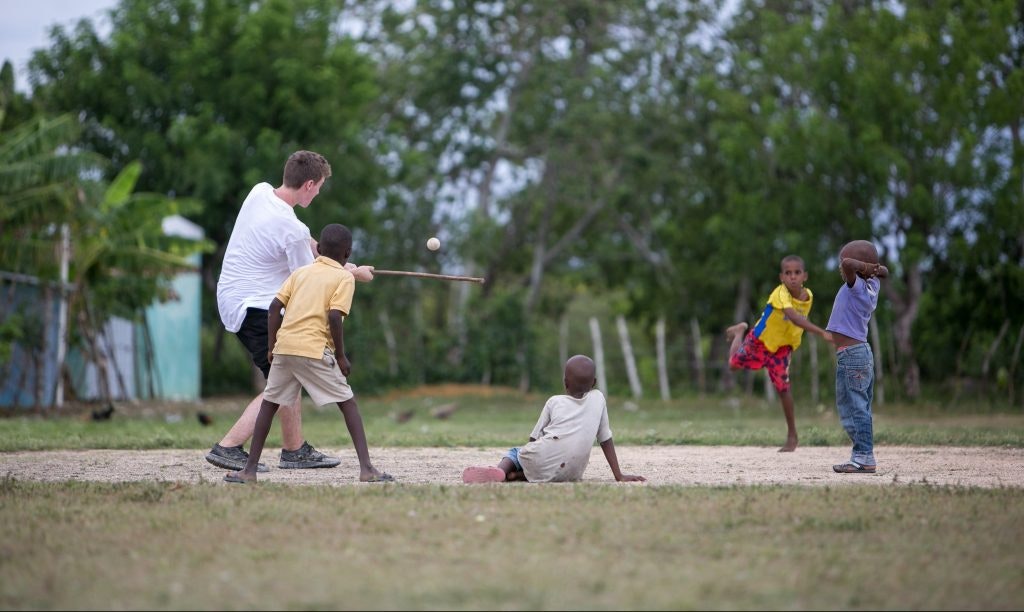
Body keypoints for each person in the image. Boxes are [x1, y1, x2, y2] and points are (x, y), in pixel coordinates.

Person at [206, 151, 374, 472]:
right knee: (283, 379)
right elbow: (312, 278)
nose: (319, 192)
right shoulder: (292, 230)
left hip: (234, 295)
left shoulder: (261, 193)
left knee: (286, 374)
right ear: (309, 184)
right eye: (320, 187)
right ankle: (227, 446)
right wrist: (352, 272)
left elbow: (304, 242)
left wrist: (332, 258)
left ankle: (294, 450)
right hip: (254, 305)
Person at [224, 224, 393, 484]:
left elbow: (273, 307)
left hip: (284, 348)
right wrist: (340, 356)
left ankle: (249, 471)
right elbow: (334, 316)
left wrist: (271, 347)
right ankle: (367, 469)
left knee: (270, 404)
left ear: (319, 249)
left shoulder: (301, 273)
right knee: (348, 403)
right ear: (347, 253)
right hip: (313, 350)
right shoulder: (345, 278)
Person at [461, 355, 645, 484]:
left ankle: (502, 471)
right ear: (594, 383)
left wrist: (527, 455)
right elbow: (605, 438)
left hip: (543, 458)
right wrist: (618, 475)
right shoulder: (599, 399)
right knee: (549, 465)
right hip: (573, 472)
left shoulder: (554, 401)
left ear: (565, 383)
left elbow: (533, 440)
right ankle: (517, 476)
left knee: (516, 453)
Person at [724, 255, 833, 452]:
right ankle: (740, 330)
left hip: (781, 349)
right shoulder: (780, 293)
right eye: (788, 273)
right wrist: (821, 332)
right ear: (781, 277)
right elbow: (792, 317)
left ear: (805, 276)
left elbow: (797, 320)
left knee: (783, 388)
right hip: (760, 341)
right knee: (732, 365)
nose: (793, 277)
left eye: (797, 273)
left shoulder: (808, 296)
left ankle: (792, 436)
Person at [827, 240, 888, 474]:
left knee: (856, 408)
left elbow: (849, 264)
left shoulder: (858, 286)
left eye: (844, 265)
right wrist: (872, 268)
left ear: (860, 270)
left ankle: (863, 456)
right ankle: (861, 453)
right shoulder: (873, 283)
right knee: (851, 407)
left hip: (853, 356)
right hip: (855, 355)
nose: (841, 268)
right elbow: (884, 271)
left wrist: (861, 267)